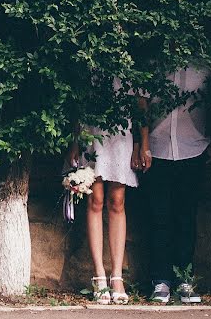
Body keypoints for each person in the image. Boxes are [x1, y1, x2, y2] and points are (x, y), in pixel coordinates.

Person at [137, 65, 211, 304]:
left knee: (186, 217)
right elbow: (141, 105)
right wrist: (144, 145)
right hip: (158, 149)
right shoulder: (155, 66)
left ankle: (184, 279)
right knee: (159, 218)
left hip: (193, 148)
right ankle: (160, 281)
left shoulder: (204, 69)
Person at [67, 80, 150, 305]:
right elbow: (78, 103)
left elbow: (140, 105)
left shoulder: (130, 64)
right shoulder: (88, 60)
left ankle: (117, 276)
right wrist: (75, 141)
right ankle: (99, 276)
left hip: (121, 135)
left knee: (117, 200)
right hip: (91, 132)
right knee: (95, 200)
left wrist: (142, 145)